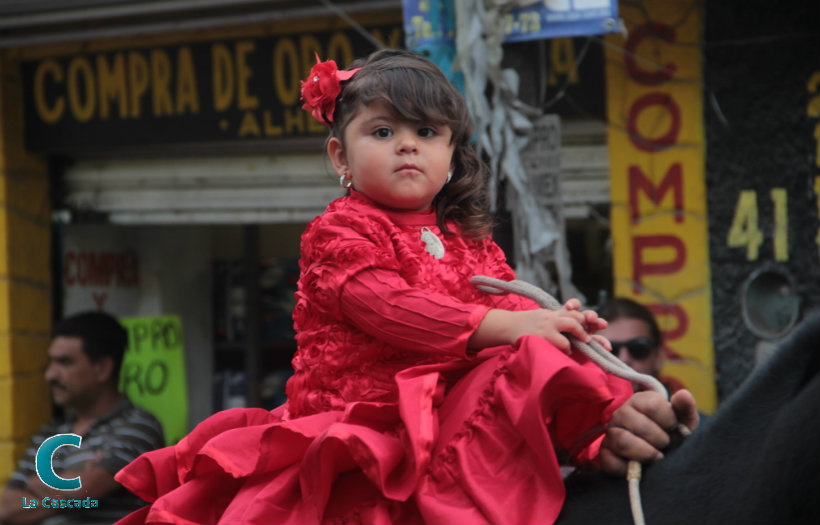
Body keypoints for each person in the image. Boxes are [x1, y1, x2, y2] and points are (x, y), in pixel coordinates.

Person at [113, 49, 699, 524]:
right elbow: (392, 308)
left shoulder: (468, 237)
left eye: (426, 131)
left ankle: (614, 433)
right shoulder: (337, 230)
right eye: (384, 130)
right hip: (364, 423)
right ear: (341, 155)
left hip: (444, 409)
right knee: (516, 356)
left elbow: (513, 304)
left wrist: (562, 322)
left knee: (547, 353)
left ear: (450, 154)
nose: (407, 144)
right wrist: (514, 325)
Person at [0, 312, 165, 525]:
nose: (51, 374)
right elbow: (6, 509)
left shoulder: (139, 426)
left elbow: (87, 488)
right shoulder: (48, 434)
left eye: (65, 362)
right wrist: (74, 488)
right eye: (51, 362)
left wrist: (36, 486)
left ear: (103, 368)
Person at [597, 297, 688, 394]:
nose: (623, 359)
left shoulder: (683, 410)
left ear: (658, 357)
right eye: (609, 351)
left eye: (638, 349)